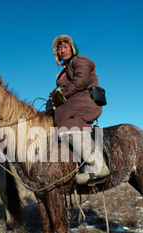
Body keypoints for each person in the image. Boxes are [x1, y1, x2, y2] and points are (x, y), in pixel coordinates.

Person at [50, 35, 109, 186]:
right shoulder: (62, 72)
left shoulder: (80, 60)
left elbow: (81, 79)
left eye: (65, 46)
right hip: (70, 104)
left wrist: (62, 94)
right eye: (59, 48)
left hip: (83, 100)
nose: (62, 50)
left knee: (69, 127)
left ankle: (98, 166)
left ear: (72, 47)